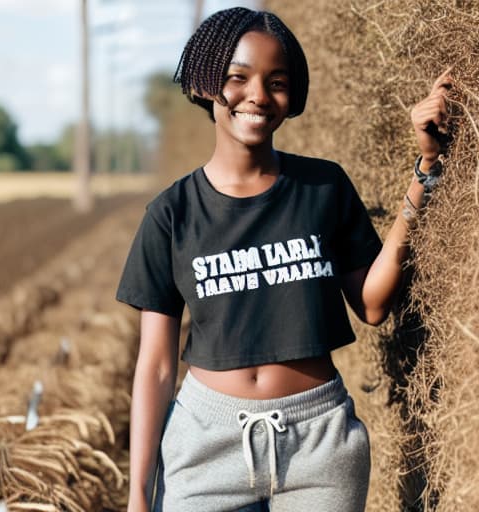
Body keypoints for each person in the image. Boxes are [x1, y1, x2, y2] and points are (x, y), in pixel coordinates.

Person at [116, 7, 452, 512]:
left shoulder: (323, 187)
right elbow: (157, 367)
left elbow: (374, 304)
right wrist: (139, 495)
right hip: (205, 447)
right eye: (238, 78)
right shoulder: (171, 214)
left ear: (291, 95)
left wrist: (425, 168)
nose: (258, 95)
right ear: (208, 85)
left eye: (276, 82)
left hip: (319, 446)